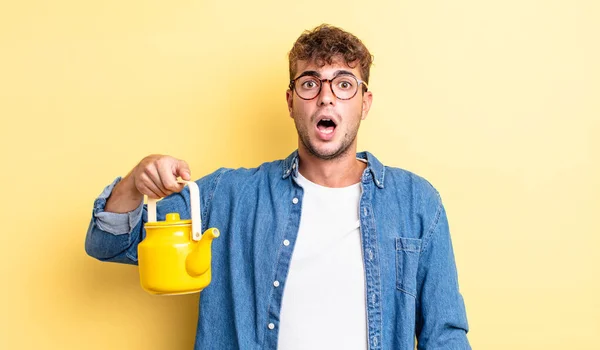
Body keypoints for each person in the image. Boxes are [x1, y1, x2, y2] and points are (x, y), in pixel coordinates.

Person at [85, 24, 471, 350]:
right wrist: (137, 182)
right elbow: (107, 242)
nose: (326, 96)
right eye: (310, 83)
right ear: (290, 101)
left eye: (344, 84)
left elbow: (445, 334)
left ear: (365, 102)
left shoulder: (417, 203)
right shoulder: (228, 196)